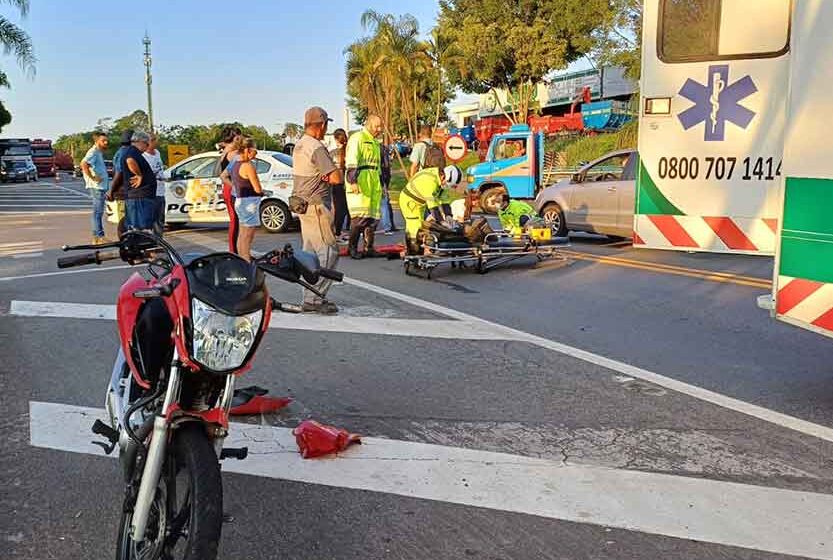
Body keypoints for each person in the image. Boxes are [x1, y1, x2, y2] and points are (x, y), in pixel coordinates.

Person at [293, 106, 342, 314]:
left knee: (309, 255)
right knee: (329, 253)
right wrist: (333, 169)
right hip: (317, 206)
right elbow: (336, 178)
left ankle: (309, 296)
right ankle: (313, 299)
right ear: (321, 125)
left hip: (302, 204)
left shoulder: (299, 144)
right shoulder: (316, 146)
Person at [399, 165, 462, 255]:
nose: (447, 186)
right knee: (414, 228)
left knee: (421, 226)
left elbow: (445, 200)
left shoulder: (443, 181)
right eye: (448, 184)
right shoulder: (429, 181)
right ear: (443, 176)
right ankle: (414, 255)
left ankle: (418, 251)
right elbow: (433, 206)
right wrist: (441, 222)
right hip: (409, 201)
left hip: (420, 203)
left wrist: (449, 216)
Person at [345, 115, 383, 259]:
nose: (379, 130)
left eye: (380, 127)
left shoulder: (374, 142)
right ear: (368, 124)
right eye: (377, 126)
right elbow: (352, 161)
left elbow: (378, 165)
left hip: (373, 182)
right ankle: (352, 248)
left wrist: (382, 184)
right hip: (361, 181)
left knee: (372, 218)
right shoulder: (358, 138)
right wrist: (353, 181)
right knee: (359, 218)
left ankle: (369, 247)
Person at [225, 136, 263, 262]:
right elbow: (257, 188)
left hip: (240, 201)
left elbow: (227, 177)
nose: (255, 155)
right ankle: (247, 264)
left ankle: (241, 261)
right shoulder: (248, 166)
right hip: (249, 203)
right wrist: (263, 192)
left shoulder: (235, 164)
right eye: (254, 151)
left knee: (242, 235)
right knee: (247, 237)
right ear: (247, 150)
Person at [122, 131, 158, 230]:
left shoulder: (133, 152)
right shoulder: (132, 151)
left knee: (140, 226)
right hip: (139, 197)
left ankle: (139, 242)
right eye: (146, 144)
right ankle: (138, 243)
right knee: (140, 227)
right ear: (140, 142)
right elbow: (130, 160)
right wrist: (139, 175)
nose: (147, 148)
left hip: (140, 196)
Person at [214, 126, 242, 253]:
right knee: (235, 221)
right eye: (238, 137)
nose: (241, 139)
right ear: (234, 138)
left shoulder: (226, 150)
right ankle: (234, 250)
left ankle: (236, 249)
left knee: (236, 220)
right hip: (231, 188)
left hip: (229, 188)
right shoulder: (233, 153)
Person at [80, 132, 111, 244]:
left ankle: (97, 237)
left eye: (106, 140)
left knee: (98, 212)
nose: (106, 142)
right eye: (103, 140)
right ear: (96, 141)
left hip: (100, 186)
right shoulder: (93, 152)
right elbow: (84, 164)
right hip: (96, 187)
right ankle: (99, 236)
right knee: (97, 212)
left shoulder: (98, 152)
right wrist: (93, 177)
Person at [108, 130, 134, 235]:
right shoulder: (125, 153)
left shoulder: (122, 151)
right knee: (124, 221)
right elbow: (119, 173)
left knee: (127, 221)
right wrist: (111, 190)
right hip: (123, 192)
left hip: (126, 192)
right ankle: (124, 244)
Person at [142, 132, 166, 235]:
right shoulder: (143, 156)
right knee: (150, 219)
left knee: (160, 219)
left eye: (155, 139)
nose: (155, 142)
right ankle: (150, 241)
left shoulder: (157, 152)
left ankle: (159, 240)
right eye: (153, 140)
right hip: (151, 192)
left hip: (161, 190)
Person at [329, 128, 350, 239]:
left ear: (336, 139)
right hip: (349, 183)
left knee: (339, 209)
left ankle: (337, 232)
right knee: (345, 209)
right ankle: (339, 231)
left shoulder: (332, 153)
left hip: (337, 184)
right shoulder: (349, 151)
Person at [379, 143, 398, 235]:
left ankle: (366, 228)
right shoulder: (382, 149)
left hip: (370, 179)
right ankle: (388, 227)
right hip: (381, 179)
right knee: (384, 203)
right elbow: (386, 166)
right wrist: (387, 181)